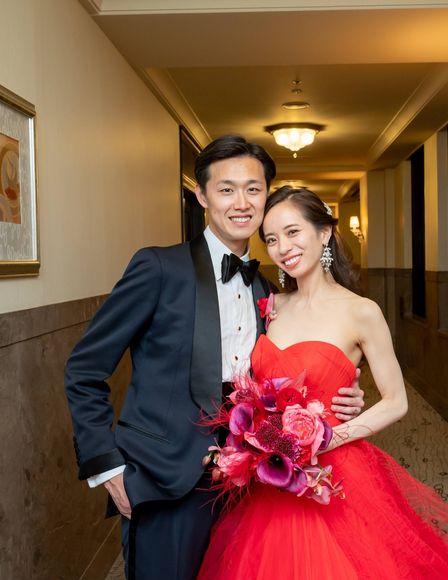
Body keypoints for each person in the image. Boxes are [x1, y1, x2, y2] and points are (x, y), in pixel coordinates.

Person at [64, 136, 364, 580]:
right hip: (165, 480)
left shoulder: (269, 292)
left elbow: (289, 374)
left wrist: (344, 395)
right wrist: (106, 465)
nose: (241, 203)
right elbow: (84, 369)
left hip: (251, 486)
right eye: (226, 189)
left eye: (253, 189)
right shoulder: (158, 268)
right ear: (201, 195)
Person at [198, 186, 448, 579]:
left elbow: (397, 401)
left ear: (324, 233)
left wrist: (323, 439)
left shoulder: (361, 311)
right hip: (273, 473)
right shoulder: (271, 306)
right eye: (271, 239)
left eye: (293, 232)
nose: (282, 248)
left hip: (334, 468)